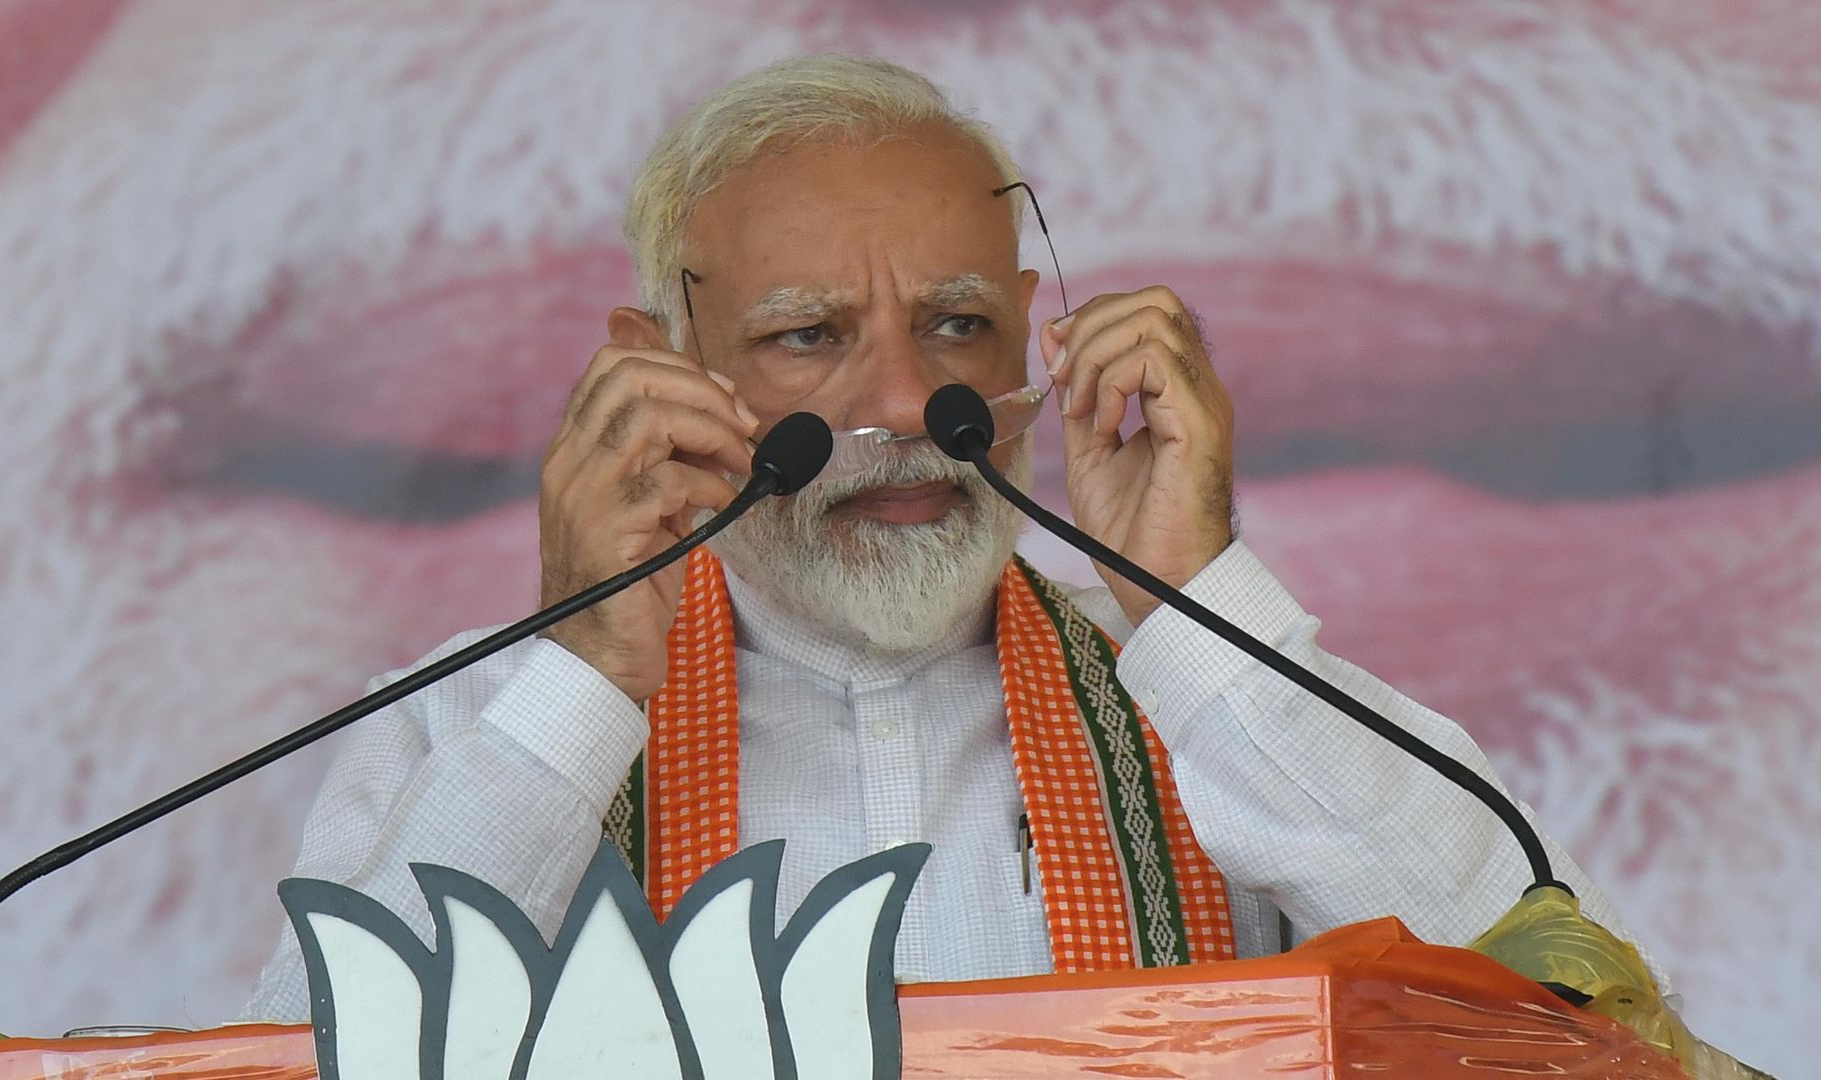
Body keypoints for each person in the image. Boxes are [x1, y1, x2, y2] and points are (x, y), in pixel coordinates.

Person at [242, 55, 1658, 1020]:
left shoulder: (1204, 701)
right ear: (660, 368)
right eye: (808, 336)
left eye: (959, 326)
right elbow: (316, 1049)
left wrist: (1191, 604)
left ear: (1034, 331)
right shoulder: (481, 721)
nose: (910, 404)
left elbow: (1552, 999)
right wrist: (587, 674)